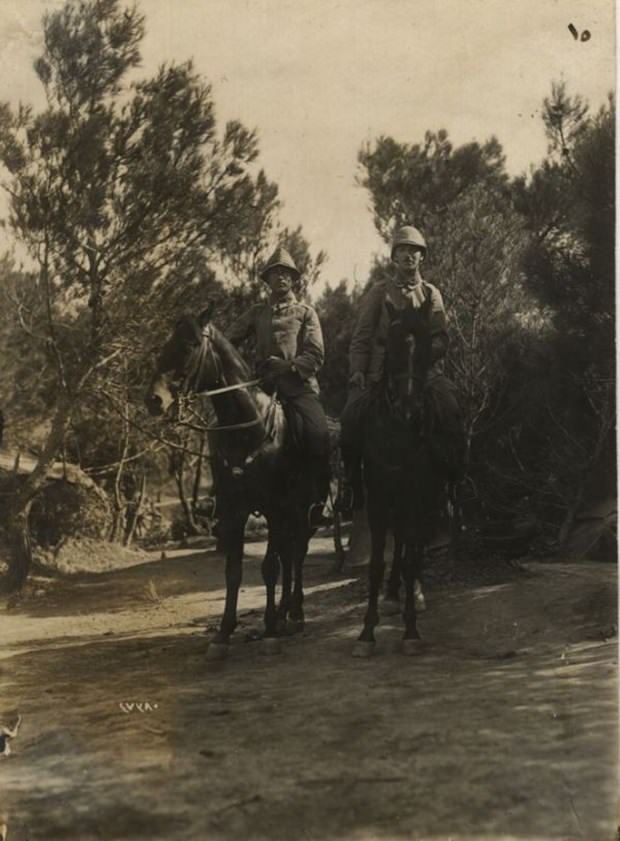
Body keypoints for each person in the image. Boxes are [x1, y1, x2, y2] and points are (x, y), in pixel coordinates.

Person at [337, 225, 464, 511]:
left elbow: (441, 336)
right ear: (394, 257)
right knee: (350, 418)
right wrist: (358, 369)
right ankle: (351, 485)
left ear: (422, 258)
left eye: (415, 251)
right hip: (380, 373)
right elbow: (362, 336)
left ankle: (454, 483)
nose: (409, 256)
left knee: (451, 408)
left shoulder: (431, 294)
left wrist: (418, 357)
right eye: (403, 250)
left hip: (423, 374)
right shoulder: (379, 293)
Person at [227, 247, 331, 526]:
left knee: (318, 432)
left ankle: (320, 502)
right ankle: (223, 502)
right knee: (225, 428)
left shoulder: (305, 312)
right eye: (275, 274)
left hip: (298, 387)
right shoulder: (257, 313)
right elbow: (228, 342)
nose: (281, 279)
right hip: (261, 388)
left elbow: (316, 354)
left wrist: (287, 366)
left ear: (294, 280)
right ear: (267, 280)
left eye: (286, 274)